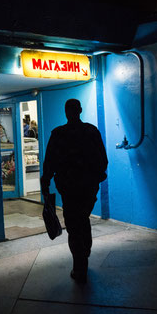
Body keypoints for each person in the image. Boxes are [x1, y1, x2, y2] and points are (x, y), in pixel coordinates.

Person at [40, 99, 108, 283]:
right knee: (82, 219)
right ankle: (84, 255)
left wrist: (45, 184)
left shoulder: (59, 134)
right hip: (88, 187)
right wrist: (95, 177)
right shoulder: (91, 131)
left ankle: (80, 265)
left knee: (73, 225)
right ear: (80, 110)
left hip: (69, 188)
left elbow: (50, 162)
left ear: (66, 112)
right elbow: (103, 161)